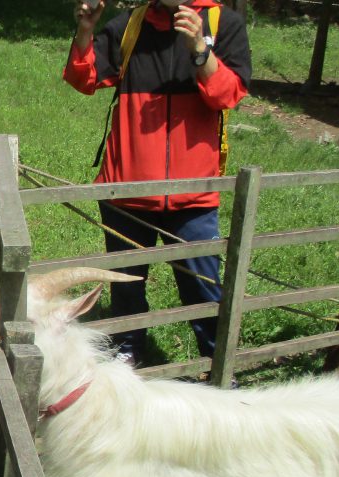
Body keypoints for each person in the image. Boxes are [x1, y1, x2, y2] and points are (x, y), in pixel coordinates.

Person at [63, 0, 251, 367]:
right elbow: (82, 78)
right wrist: (85, 31)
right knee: (126, 285)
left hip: (191, 196)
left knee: (202, 287)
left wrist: (199, 49)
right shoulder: (128, 26)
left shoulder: (222, 23)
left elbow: (227, 95)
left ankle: (218, 365)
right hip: (125, 192)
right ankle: (126, 354)